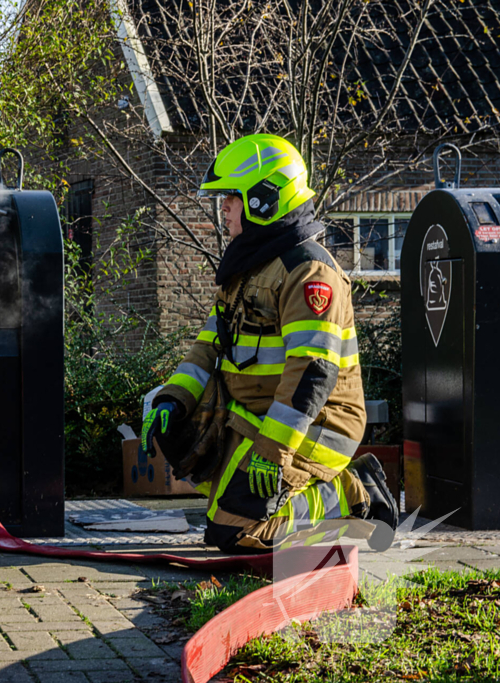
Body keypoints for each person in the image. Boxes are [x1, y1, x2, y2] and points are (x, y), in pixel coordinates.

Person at [142, 134, 399, 554]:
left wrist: (272, 450)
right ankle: (251, 496)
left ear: (264, 200)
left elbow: (311, 374)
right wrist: (172, 400)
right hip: (255, 416)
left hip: (314, 426)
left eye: (231, 198)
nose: (222, 207)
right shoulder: (249, 268)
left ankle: (355, 494)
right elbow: (209, 347)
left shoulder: (309, 272)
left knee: (234, 535)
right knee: (191, 455)